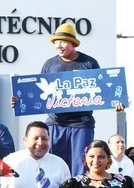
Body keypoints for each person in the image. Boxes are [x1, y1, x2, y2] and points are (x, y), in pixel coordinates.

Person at [40, 23, 102, 178]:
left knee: (81, 168)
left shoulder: (89, 63)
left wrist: (116, 102)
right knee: (54, 168)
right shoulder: (49, 64)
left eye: (62, 41)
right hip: (56, 123)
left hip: (81, 124)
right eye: (56, 42)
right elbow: (37, 91)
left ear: (73, 43)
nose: (58, 45)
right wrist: (19, 101)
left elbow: (104, 89)